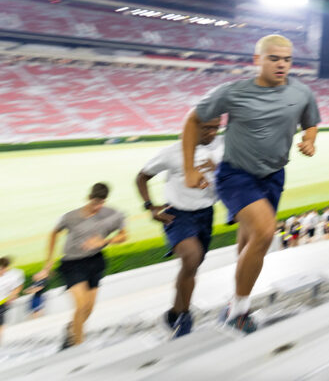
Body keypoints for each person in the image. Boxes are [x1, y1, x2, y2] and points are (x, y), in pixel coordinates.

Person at [182, 33, 321, 333]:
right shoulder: (233, 92)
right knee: (265, 232)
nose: (281, 64)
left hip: (273, 175)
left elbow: (311, 122)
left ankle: (234, 301)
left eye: (287, 59)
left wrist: (309, 140)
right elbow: (192, 120)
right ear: (257, 60)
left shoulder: (301, 92)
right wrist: (189, 168)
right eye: (274, 58)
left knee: (250, 241)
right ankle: (239, 311)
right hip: (236, 175)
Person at [135, 115, 223, 337]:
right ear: (194, 127)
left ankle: (174, 313)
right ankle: (185, 316)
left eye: (215, 128)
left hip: (205, 214)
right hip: (178, 215)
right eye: (207, 128)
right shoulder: (172, 152)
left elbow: (232, 176)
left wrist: (219, 169)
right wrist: (150, 207)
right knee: (191, 258)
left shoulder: (219, 148)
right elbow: (141, 177)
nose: (212, 133)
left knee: (191, 267)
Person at [38, 183, 127, 347]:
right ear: (89, 198)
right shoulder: (70, 217)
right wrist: (48, 261)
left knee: (89, 309)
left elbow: (123, 236)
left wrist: (104, 241)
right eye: (95, 203)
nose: (97, 207)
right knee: (81, 305)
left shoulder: (112, 214)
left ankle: (71, 329)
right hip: (72, 264)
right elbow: (53, 233)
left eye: (101, 203)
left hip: (95, 261)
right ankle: (79, 346)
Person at [0, 256, 25, 345]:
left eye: (2, 269)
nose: (1, 271)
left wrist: (12, 295)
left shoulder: (14, 275)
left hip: (3, 302)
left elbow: (18, 286)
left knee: (1, 321)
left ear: (6, 267)